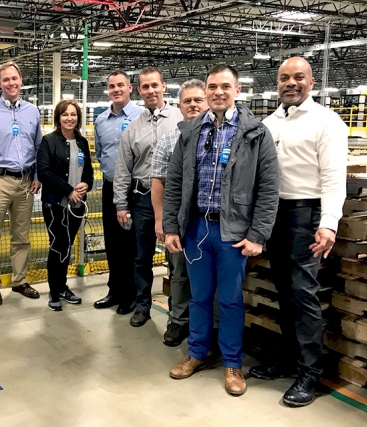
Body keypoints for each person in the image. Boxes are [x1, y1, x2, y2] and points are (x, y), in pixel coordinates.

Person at [163, 64, 279, 396]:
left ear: (236, 91)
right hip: (196, 228)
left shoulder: (255, 133)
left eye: (224, 86)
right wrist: (172, 226)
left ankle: (231, 363)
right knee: (198, 297)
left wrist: (258, 234)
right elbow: (175, 183)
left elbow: (269, 188)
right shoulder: (189, 132)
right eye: (212, 86)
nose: (218, 92)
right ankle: (197, 354)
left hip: (232, 231)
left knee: (229, 300)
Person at [250, 57, 348, 407]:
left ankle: (310, 372)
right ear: (277, 83)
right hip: (273, 214)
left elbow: (334, 177)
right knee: (283, 289)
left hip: (306, 215)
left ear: (311, 82)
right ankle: (289, 357)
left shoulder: (327, 122)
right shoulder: (268, 122)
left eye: (299, 77)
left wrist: (328, 223)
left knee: (302, 293)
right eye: (284, 78)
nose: (291, 83)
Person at [114, 67, 182, 327]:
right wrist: (121, 203)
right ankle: (143, 305)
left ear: (164, 86)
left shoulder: (180, 118)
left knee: (175, 258)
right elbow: (123, 169)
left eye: (155, 85)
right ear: (139, 90)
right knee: (141, 258)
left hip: (174, 200)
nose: (151, 91)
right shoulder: (132, 129)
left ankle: (177, 313)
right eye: (145, 87)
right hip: (142, 199)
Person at [0, 61, 42, 306]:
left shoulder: (32, 111)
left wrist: (37, 176)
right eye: (6, 80)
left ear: (21, 81)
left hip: (25, 182)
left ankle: (19, 280)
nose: (11, 83)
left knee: (21, 235)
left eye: (15, 78)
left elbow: (38, 148)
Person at [151, 79, 208, 345]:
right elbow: (159, 182)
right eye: (188, 101)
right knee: (179, 273)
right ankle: (178, 321)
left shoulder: (220, 136)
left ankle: (207, 328)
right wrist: (162, 220)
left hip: (211, 221)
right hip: (181, 222)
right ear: (180, 105)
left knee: (211, 279)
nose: (193, 105)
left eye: (199, 100)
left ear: (207, 101)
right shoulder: (169, 140)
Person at [93, 70, 144, 314]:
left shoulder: (141, 116)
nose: (116, 89)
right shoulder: (101, 120)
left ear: (130, 88)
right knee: (112, 242)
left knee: (130, 244)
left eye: (120, 85)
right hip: (110, 186)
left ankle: (130, 293)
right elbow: (100, 152)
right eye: (112, 86)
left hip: (134, 189)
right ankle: (114, 290)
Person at [37, 99, 93, 311]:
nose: (69, 118)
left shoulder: (82, 142)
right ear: (58, 118)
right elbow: (44, 172)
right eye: (65, 114)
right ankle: (54, 290)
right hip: (55, 204)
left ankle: (62, 286)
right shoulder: (49, 141)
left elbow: (88, 171)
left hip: (77, 205)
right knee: (58, 246)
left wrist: (85, 185)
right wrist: (68, 190)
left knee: (67, 245)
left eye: (73, 114)